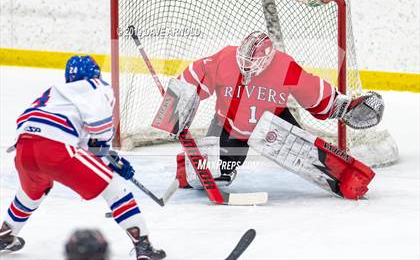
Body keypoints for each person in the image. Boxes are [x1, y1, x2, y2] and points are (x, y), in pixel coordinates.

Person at [173, 31, 383, 198]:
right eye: (243, 60)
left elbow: (312, 89)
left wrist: (341, 107)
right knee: (215, 175)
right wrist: (178, 102)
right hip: (229, 126)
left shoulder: (284, 66)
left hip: (274, 123)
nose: (245, 67)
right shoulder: (225, 58)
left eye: (251, 62)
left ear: (266, 59)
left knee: (309, 155)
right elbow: (195, 74)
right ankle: (188, 167)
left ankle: (347, 177)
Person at [0, 56, 165, 260]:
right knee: (114, 189)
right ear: (95, 74)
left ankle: (5, 235)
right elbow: (100, 133)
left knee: (31, 192)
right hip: (55, 149)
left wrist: (108, 158)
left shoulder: (54, 93)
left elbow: (80, 140)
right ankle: (144, 246)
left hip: (24, 148)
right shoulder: (95, 86)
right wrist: (112, 161)